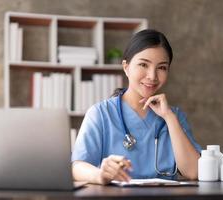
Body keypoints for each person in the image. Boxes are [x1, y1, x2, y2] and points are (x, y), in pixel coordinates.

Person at [71, 29, 202, 185]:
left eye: (161, 67)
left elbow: (194, 171)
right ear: (126, 67)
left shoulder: (175, 116)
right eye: (143, 64)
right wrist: (100, 174)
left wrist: (169, 117)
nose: (152, 76)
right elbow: (77, 166)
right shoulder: (101, 113)